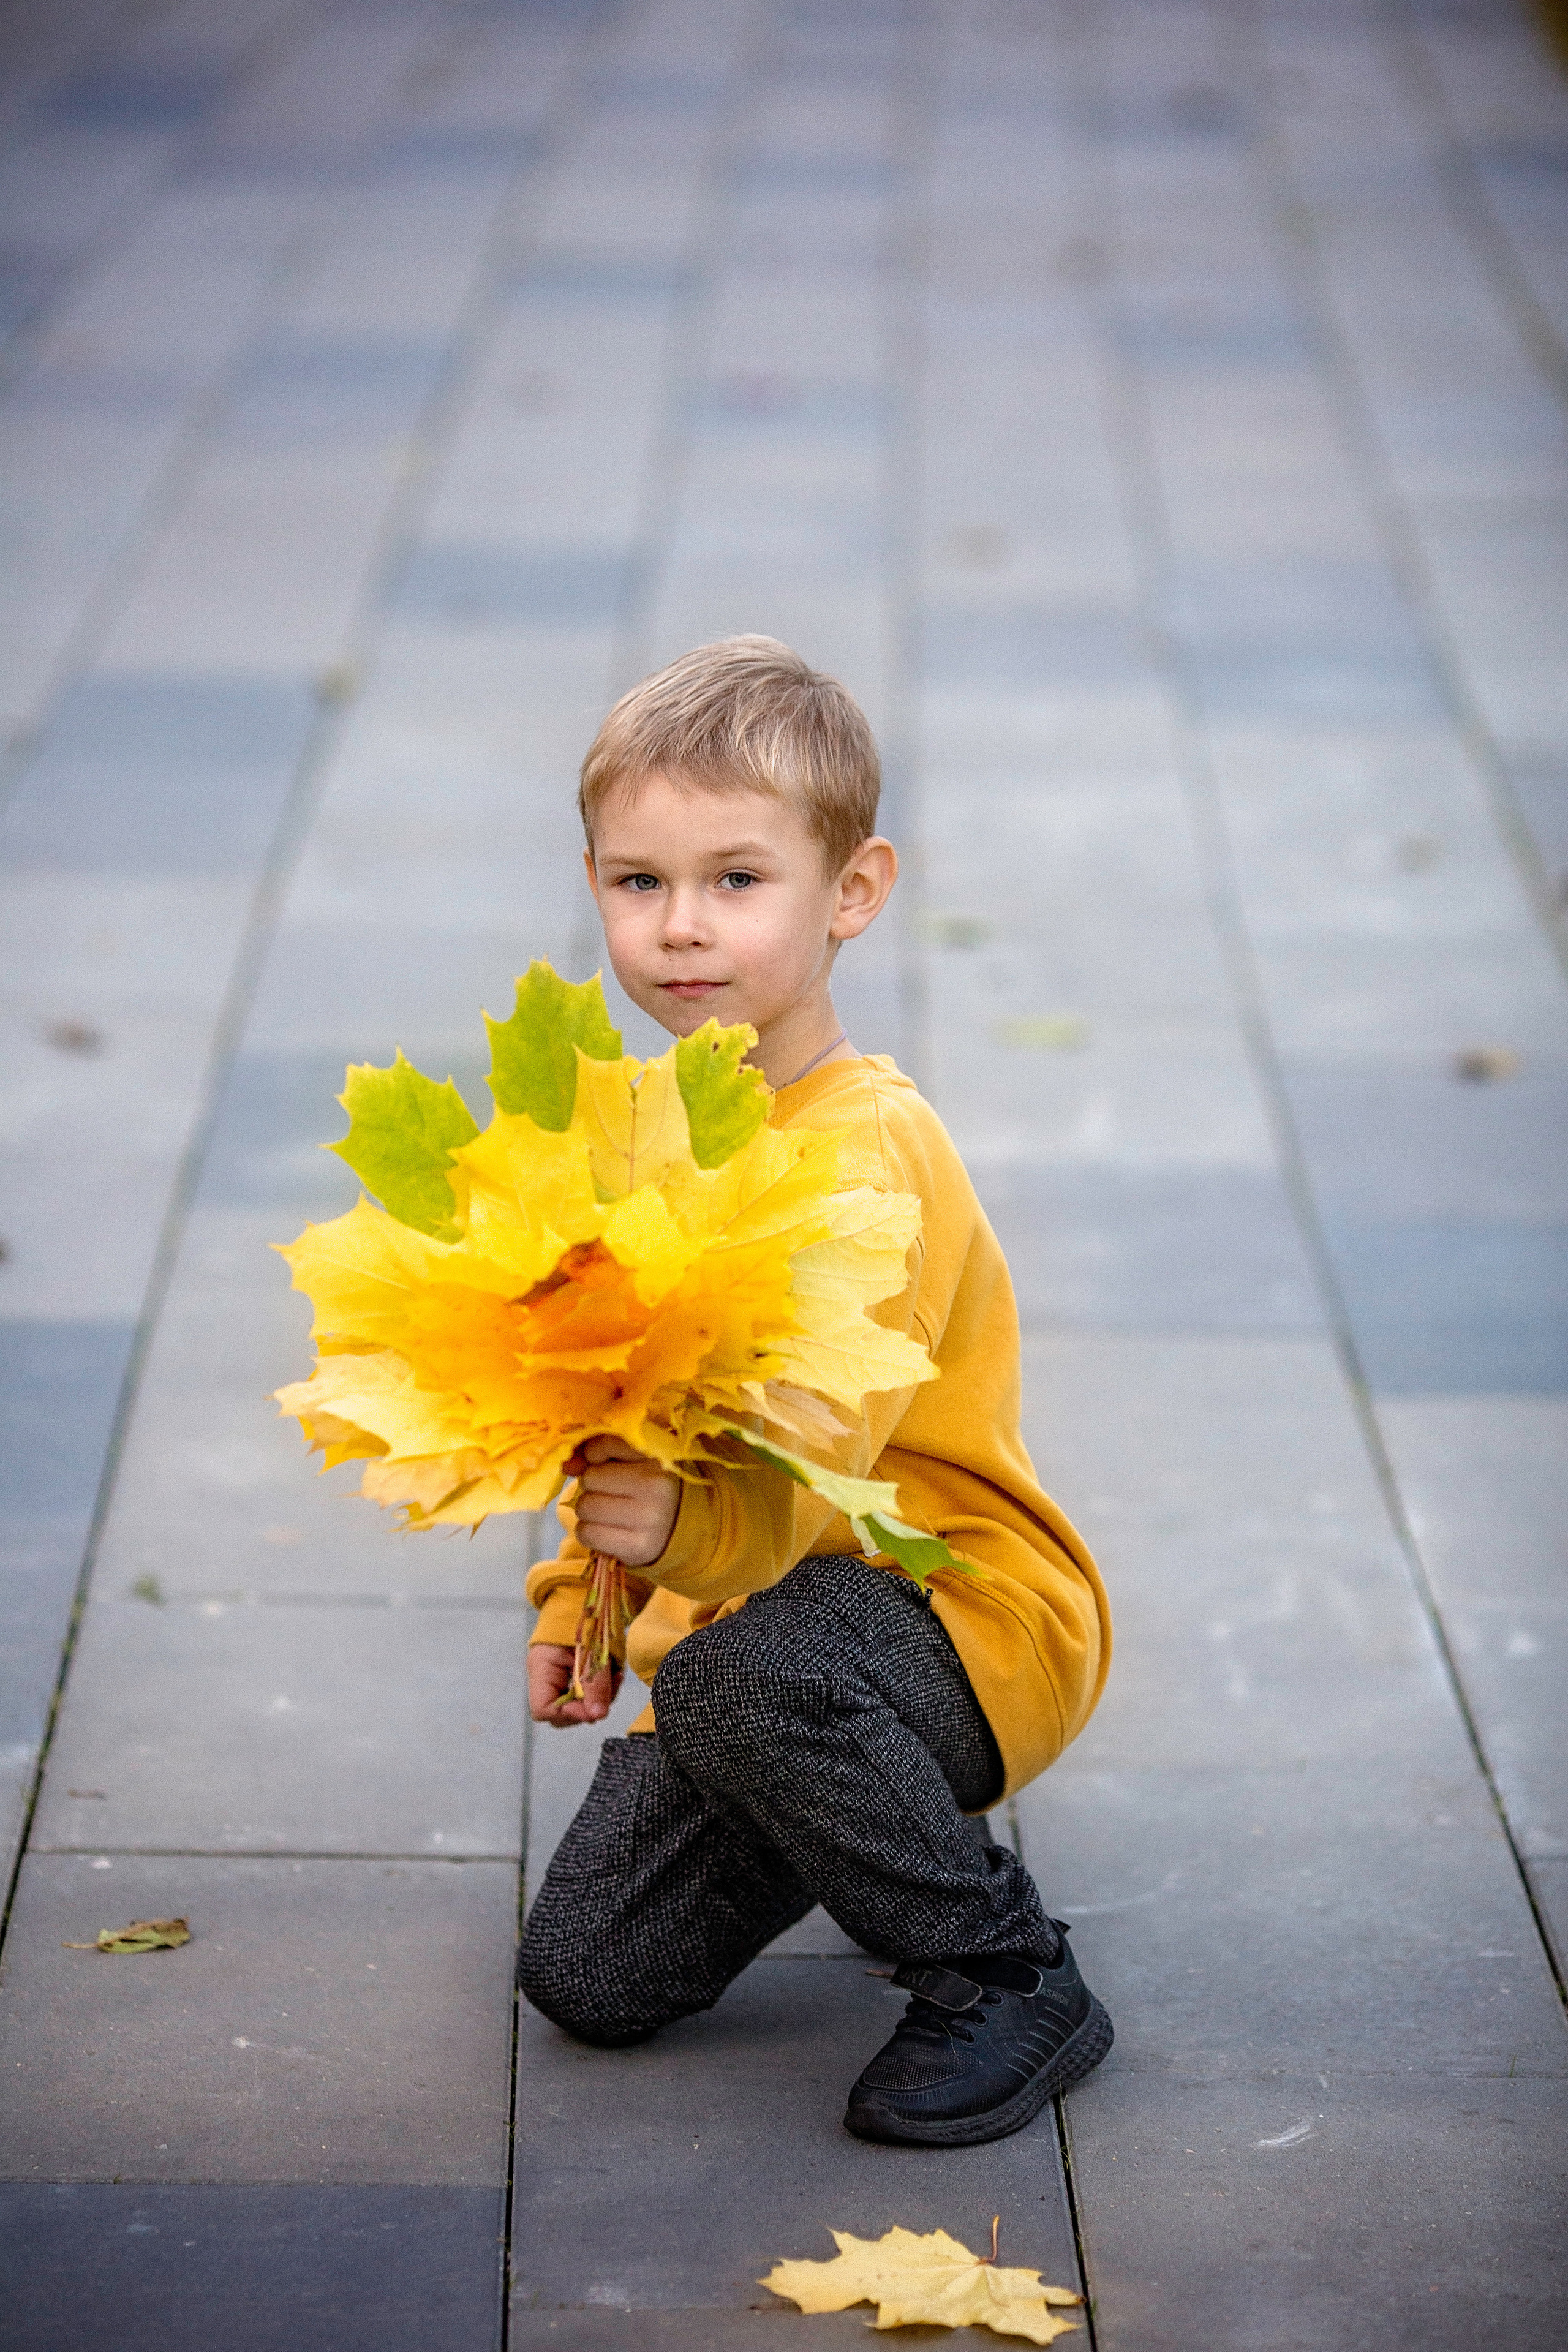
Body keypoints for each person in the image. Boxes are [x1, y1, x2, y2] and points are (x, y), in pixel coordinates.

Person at [518, 635, 1113, 2147]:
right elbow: (616, 1417)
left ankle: (1004, 1969)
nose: (679, 924)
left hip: (946, 1609)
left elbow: (804, 1452)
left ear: (851, 891)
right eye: (637, 881)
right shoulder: (646, 1139)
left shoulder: (865, 1155)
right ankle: (842, 1810)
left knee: (741, 1679)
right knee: (589, 1970)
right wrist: (584, 1597)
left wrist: (677, 1544)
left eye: (735, 878)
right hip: (747, 1619)